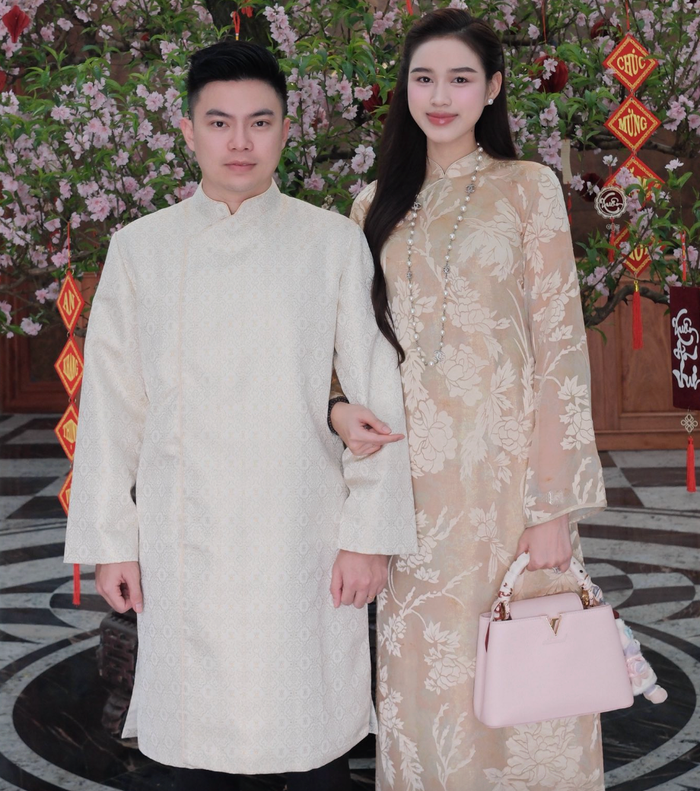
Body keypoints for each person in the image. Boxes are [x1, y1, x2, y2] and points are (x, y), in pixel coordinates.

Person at [63, 40, 418, 790]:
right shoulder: (141, 248)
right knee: (191, 750)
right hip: (184, 537)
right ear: (187, 130)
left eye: (259, 122)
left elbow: (378, 396)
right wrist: (111, 542)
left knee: (312, 737)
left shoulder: (330, 241)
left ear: (286, 129)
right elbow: (112, 409)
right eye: (219, 122)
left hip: (303, 534)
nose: (240, 142)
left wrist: (368, 536)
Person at [330, 9, 607, 790]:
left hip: (510, 491)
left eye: (459, 78)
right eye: (424, 78)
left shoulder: (528, 189)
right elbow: (352, 353)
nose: (440, 96)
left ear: (492, 89)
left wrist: (551, 505)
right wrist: (339, 412)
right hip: (411, 493)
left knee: (530, 685)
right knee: (428, 696)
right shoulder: (371, 204)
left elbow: (560, 349)